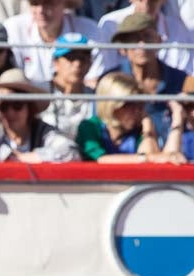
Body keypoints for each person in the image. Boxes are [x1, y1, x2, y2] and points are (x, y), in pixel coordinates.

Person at [109, 11, 190, 143]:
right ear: (121, 48)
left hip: (176, 154)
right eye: (133, 39)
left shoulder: (181, 79)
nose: (141, 45)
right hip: (127, 156)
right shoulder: (111, 82)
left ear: (159, 41)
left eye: (147, 37)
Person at [76, 69, 186, 161]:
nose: (138, 110)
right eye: (130, 104)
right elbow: (101, 159)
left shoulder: (139, 131)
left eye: (140, 104)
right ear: (112, 106)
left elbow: (150, 169)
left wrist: (148, 124)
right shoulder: (90, 126)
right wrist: (147, 158)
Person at [0, 68, 79, 161]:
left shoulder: (42, 131)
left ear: (30, 107)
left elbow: (70, 153)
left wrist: (19, 159)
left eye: (17, 105)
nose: (10, 112)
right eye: (3, 106)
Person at [3, 0, 107, 85]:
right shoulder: (13, 28)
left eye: (49, 3)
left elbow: (94, 80)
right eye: (34, 3)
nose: (41, 10)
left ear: (65, 4)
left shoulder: (90, 30)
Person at [99, 0, 194, 74]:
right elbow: (105, 73)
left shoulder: (177, 27)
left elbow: (187, 72)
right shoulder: (110, 23)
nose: (146, 5)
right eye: (141, 0)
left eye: (153, 0)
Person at [41, 31, 97, 137]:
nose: (77, 64)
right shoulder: (40, 93)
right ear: (55, 62)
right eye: (70, 57)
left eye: (82, 58)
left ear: (90, 63)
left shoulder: (96, 97)